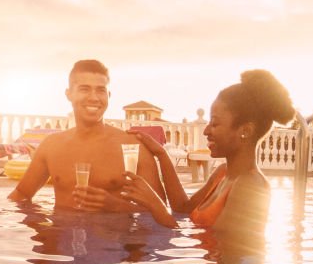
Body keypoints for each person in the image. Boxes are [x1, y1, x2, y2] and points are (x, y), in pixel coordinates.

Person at [123, 69, 295, 245]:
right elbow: (182, 208)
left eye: (215, 123)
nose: (206, 131)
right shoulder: (223, 174)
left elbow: (223, 252)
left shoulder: (250, 186)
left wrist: (156, 206)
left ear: (245, 131)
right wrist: (161, 154)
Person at [8, 59, 165, 211]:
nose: (94, 98)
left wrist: (117, 206)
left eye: (100, 90)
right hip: (62, 234)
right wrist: (41, 231)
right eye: (84, 89)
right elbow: (21, 195)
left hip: (114, 237)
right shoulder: (52, 146)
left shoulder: (132, 147)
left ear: (108, 95)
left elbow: (161, 213)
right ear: (69, 94)